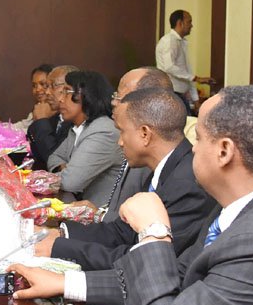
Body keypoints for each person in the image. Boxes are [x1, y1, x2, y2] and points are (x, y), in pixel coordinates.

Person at [10, 86, 253, 305]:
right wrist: (66, 283)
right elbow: (178, 276)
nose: (192, 148)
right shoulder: (235, 209)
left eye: (198, 138)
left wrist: (154, 233)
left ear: (224, 151)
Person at [35, 88, 216, 271]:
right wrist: (60, 234)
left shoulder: (187, 184)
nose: (119, 142)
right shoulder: (166, 168)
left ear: (145, 134)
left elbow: (144, 260)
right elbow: (123, 231)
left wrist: (58, 247)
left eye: (121, 132)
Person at [82, 66, 173, 223]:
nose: (113, 102)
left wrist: (98, 215)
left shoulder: (151, 156)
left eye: (120, 97)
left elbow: (139, 223)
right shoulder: (133, 141)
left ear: (148, 102)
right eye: (114, 95)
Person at [46, 71, 121, 207]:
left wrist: (69, 172)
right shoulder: (79, 127)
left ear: (88, 95)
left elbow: (70, 182)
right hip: (78, 207)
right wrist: (66, 169)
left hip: (102, 214)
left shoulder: (103, 131)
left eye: (67, 92)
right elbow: (53, 158)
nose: (61, 99)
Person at [156, 9, 213, 115]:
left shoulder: (182, 42)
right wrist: (197, 78)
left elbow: (187, 73)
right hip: (170, 95)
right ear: (180, 23)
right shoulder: (169, 41)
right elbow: (169, 67)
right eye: (189, 22)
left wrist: (196, 100)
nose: (191, 25)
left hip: (181, 96)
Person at [26, 65, 77, 171]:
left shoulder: (77, 120)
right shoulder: (55, 116)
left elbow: (54, 159)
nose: (47, 92)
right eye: (47, 86)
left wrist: (41, 121)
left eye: (53, 86)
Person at [11, 64, 53, 132]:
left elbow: (32, 132)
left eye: (43, 84)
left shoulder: (59, 112)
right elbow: (24, 125)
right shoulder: (38, 106)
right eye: (34, 85)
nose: (37, 89)